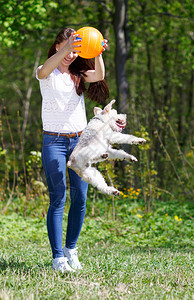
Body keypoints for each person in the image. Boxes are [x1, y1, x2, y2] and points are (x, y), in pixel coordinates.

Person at [36, 27, 109, 273]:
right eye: (67, 47)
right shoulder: (47, 73)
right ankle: (58, 259)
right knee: (58, 198)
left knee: (80, 198)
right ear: (57, 46)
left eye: (76, 50)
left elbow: (98, 74)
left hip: (80, 142)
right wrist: (68, 47)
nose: (71, 54)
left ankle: (71, 250)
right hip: (53, 142)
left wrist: (97, 52)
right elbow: (42, 70)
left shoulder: (78, 73)